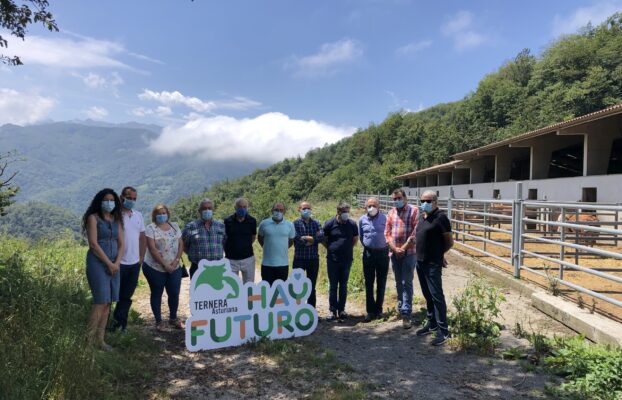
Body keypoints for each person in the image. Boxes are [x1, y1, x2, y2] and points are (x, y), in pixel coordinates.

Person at [82, 188, 124, 350]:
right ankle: (88, 342)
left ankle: (100, 340)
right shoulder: (93, 218)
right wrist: (109, 263)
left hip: (114, 265)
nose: (109, 203)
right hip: (98, 264)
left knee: (108, 303)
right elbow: (93, 244)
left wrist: (117, 263)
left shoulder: (116, 219)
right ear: (99, 201)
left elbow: (122, 244)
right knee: (100, 302)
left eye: (112, 200)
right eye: (106, 200)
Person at [414, 190, 453, 346]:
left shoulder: (441, 218)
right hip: (420, 262)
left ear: (435, 202)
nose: (425, 203)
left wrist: (439, 255)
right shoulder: (422, 217)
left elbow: (449, 242)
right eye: (423, 200)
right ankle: (432, 324)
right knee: (427, 295)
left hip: (432, 263)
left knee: (437, 296)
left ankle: (443, 331)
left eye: (428, 201)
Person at [143, 204, 184, 330]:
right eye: (159, 213)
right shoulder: (151, 228)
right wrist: (165, 265)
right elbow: (152, 249)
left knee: (174, 293)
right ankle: (159, 321)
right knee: (157, 293)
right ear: (154, 215)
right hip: (155, 267)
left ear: (168, 214)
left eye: (164, 213)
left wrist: (176, 261)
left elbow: (181, 244)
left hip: (174, 267)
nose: (162, 215)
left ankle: (173, 318)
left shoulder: (174, 226)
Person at [111, 186, 146, 332]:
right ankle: (107, 324)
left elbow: (142, 237)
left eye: (134, 198)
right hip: (118, 262)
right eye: (129, 197)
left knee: (126, 296)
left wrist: (141, 258)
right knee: (114, 294)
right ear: (122, 197)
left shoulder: (138, 215)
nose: (131, 200)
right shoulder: (115, 215)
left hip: (134, 263)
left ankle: (120, 325)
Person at [384, 189, 419, 329]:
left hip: (409, 253)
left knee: (407, 282)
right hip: (394, 253)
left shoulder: (414, 211)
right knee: (398, 282)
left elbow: (415, 233)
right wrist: (394, 248)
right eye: (394, 199)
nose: (396, 201)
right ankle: (401, 307)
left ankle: (406, 314)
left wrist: (402, 248)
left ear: (405, 197)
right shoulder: (391, 212)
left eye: (399, 198)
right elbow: (387, 233)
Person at [323, 202, 358, 321]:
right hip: (332, 260)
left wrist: (347, 248)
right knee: (333, 286)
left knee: (343, 285)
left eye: (347, 211)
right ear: (338, 212)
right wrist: (331, 248)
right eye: (344, 211)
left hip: (347, 260)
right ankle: (332, 311)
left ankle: (342, 310)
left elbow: (355, 239)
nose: (346, 214)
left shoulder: (352, 224)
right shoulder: (329, 223)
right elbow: (324, 239)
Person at [358, 197, 389, 322]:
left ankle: (379, 310)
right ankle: (370, 311)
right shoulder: (362, 219)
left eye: (374, 205)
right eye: (369, 206)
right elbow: (361, 236)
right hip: (369, 254)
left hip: (383, 253)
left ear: (379, 206)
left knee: (381, 283)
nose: (372, 208)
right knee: (369, 282)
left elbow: (389, 234)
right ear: (365, 207)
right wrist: (368, 245)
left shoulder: (385, 218)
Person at [182, 199, 226, 278]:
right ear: (199, 211)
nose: (207, 210)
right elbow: (183, 245)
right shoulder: (190, 227)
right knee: (198, 290)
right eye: (204, 208)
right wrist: (193, 254)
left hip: (217, 268)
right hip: (197, 268)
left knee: (217, 290)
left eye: (209, 208)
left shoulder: (221, 226)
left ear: (213, 210)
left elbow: (225, 243)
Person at [293, 201, 323, 308]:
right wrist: (311, 239)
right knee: (297, 286)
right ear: (299, 209)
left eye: (308, 208)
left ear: (311, 209)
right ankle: (297, 309)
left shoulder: (316, 223)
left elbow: (321, 237)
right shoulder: (295, 223)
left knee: (311, 286)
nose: (306, 210)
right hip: (299, 259)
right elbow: (296, 239)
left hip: (313, 259)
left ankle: (311, 310)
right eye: (304, 208)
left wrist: (309, 239)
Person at [257, 202, 295, 285]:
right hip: (267, 264)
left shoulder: (289, 225)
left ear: (284, 212)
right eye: (276, 210)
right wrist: (267, 246)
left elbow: (291, 241)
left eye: (281, 210)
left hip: (283, 264)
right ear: (272, 211)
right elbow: (259, 238)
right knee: (267, 290)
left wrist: (282, 248)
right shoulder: (264, 223)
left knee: (280, 292)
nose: (278, 212)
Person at [224, 198, 257, 283]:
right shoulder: (227, 221)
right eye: (240, 206)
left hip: (248, 259)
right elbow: (224, 238)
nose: (242, 209)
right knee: (231, 287)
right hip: (231, 260)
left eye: (244, 207)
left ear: (247, 208)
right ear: (235, 207)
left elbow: (253, 237)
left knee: (249, 287)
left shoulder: (252, 221)